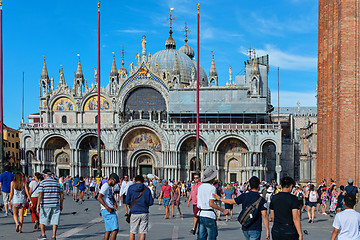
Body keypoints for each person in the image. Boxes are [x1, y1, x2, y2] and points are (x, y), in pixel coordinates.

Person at [197, 168, 228, 240]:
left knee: (201, 237)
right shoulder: (212, 188)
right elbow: (211, 204)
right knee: (212, 237)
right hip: (209, 216)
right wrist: (223, 210)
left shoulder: (200, 187)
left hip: (201, 214)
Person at [37, 169, 64, 240]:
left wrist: (37, 205)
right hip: (55, 204)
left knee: (42, 219)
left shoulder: (42, 183)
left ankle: (43, 235)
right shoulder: (57, 183)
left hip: (45, 204)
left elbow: (40, 195)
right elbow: (61, 194)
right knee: (55, 220)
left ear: (44, 175)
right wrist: (61, 204)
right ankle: (54, 236)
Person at [126, 175, 154, 240]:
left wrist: (131, 205)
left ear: (135, 181)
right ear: (143, 181)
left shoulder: (130, 188)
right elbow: (150, 203)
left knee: (132, 232)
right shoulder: (147, 189)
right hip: (144, 212)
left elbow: (127, 201)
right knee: (142, 232)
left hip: (134, 212)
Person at [98, 173, 120, 240]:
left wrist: (114, 202)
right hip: (107, 210)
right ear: (111, 179)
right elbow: (99, 197)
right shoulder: (105, 186)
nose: (115, 184)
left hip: (107, 209)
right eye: (115, 182)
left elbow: (110, 196)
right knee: (115, 229)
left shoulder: (109, 186)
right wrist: (107, 207)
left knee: (108, 230)